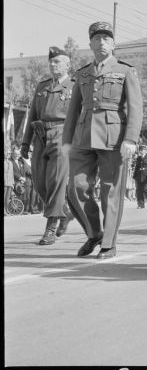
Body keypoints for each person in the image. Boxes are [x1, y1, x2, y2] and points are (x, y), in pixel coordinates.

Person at [62, 21, 142, 260]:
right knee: (76, 188)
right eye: (96, 38)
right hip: (83, 138)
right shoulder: (83, 73)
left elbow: (136, 108)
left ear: (114, 44)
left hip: (113, 137)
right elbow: (73, 111)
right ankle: (94, 233)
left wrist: (131, 139)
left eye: (106, 38)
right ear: (90, 44)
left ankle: (108, 243)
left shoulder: (126, 70)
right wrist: (67, 141)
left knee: (110, 192)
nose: (101, 42)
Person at [20, 46, 75, 244]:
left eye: (57, 61)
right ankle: (65, 212)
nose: (53, 64)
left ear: (67, 64)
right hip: (40, 135)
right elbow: (33, 115)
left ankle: (50, 228)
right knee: (39, 182)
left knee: (56, 182)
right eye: (51, 61)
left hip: (62, 135)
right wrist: (25, 142)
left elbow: (80, 116)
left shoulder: (74, 86)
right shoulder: (42, 86)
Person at [11, 145, 34, 214]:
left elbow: (23, 171)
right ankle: (24, 209)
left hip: (22, 181)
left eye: (18, 154)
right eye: (15, 154)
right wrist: (20, 178)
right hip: (15, 181)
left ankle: (26, 209)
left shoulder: (20, 161)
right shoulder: (11, 161)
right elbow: (12, 172)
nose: (17, 155)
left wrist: (23, 178)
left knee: (26, 194)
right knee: (24, 194)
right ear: (13, 154)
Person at [133, 144, 147, 208]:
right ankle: (140, 205)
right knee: (139, 191)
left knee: (146, 189)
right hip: (139, 176)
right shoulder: (139, 158)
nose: (142, 151)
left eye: (143, 150)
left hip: (146, 176)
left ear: (145, 150)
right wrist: (134, 176)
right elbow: (137, 167)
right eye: (141, 150)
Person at [4, 147, 15, 215]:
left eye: (9, 153)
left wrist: (13, 183)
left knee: (7, 198)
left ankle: (7, 210)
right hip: (5, 183)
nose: (8, 154)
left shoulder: (11, 162)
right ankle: (4, 211)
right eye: (7, 153)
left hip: (10, 183)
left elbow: (12, 173)